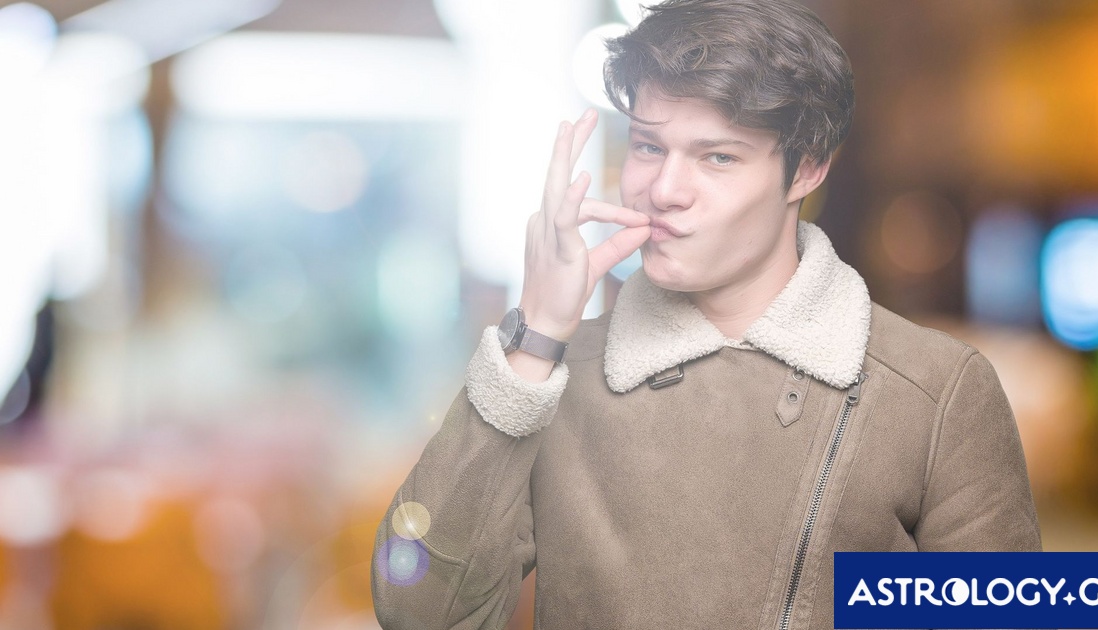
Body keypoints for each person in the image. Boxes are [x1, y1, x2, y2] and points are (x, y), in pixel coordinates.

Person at [372, 0, 1041, 627]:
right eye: (648, 146)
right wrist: (536, 338)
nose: (664, 190)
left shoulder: (934, 391)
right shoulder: (549, 375)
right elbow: (415, 608)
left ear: (807, 169)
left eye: (717, 157)